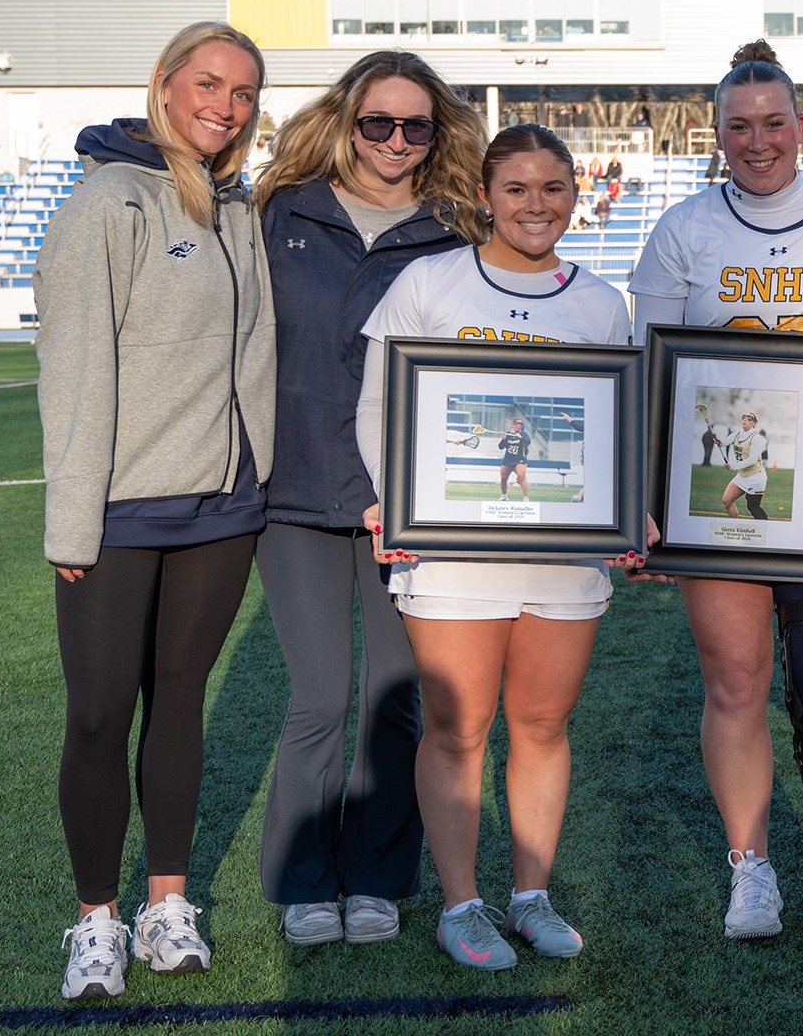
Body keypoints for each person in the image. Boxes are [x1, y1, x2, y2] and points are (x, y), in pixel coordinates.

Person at [629, 39, 803, 943]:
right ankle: (751, 868)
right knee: (737, 683)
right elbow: (648, 367)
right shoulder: (681, 230)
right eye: (738, 127)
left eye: (773, 123)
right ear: (715, 133)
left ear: (800, 126)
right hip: (720, 505)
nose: (758, 142)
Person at [356, 124, 634, 971]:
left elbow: (620, 426)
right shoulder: (429, 280)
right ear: (484, 195)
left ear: (575, 196)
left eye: (553, 188)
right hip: (453, 553)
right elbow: (378, 407)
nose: (535, 205)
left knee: (544, 725)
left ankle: (531, 896)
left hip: (561, 554)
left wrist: (629, 511)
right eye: (516, 188)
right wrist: (395, 503)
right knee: (458, 727)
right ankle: (462, 904)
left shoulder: (600, 302)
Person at [36, 21, 274, 1001]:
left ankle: (167, 905)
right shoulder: (106, 197)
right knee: (98, 714)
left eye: (245, 92)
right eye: (209, 83)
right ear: (166, 86)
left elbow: (256, 348)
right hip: (122, 508)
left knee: (180, 703)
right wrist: (71, 522)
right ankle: (96, 917)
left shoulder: (238, 206)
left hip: (224, 507)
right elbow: (77, 366)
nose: (226, 105)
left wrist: (261, 475)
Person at [252, 49, 489, 949]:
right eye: (378, 122)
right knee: (318, 695)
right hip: (298, 493)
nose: (396, 140)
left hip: (413, 502)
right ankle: (307, 880)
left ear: (436, 134)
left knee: (398, 697)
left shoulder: (458, 229)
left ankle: (382, 877)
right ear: (347, 121)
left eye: (416, 125)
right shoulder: (281, 214)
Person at [721, 412, 771, 519]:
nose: (745, 420)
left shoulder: (756, 438)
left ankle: (767, 529)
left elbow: (752, 460)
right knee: (727, 500)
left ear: (754, 424)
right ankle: (734, 527)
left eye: (749, 419)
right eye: (743, 418)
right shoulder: (737, 434)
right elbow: (724, 442)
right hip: (742, 476)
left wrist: (733, 466)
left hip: (755, 478)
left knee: (753, 507)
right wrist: (719, 441)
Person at [497, 418, 532, 501]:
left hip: (519, 459)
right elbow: (501, 447)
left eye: (521, 424)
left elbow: (528, 441)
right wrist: (503, 439)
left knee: (521, 476)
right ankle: (504, 495)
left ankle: (526, 497)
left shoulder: (523, 434)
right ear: (513, 424)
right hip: (508, 459)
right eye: (518, 423)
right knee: (503, 478)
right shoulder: (508, 434)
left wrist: (520, 437)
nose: (519, 425)